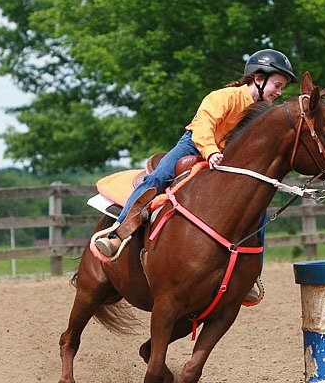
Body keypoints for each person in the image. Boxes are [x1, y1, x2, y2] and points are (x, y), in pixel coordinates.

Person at [94, 49, 296, 301]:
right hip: (194, 145)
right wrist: (210, 151)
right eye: (277, 85)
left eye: (282, 88)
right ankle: (117, 233)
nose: (279, 92)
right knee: (156, 179)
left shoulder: (264, 113)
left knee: (256, 209)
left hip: (225, 157)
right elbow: (203, 127)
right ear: (258, 78)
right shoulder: (224, 97)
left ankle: (250, 275)